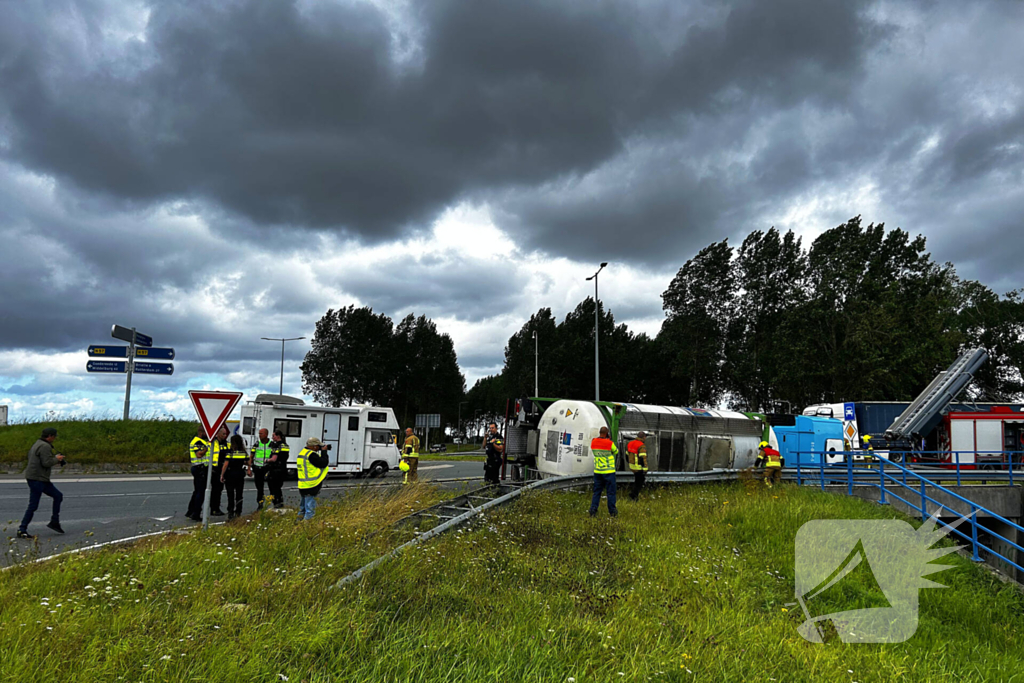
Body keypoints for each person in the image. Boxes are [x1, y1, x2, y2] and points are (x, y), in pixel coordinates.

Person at [17, 427, 66, 539]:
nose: (54, 438)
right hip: (37, 478)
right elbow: (46, 463)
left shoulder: (38, 443)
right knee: (33, 505)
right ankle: (22, 529)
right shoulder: (45, 446)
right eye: (54, 436)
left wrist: (54, 458)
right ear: (50, 436)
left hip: (39, 478)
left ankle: (54, 521)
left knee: (58, 496)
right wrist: (57, 459)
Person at [186, 426, 217, 522]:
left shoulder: (201, 442)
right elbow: (199, 454)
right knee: (200, 492)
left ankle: (190, 511)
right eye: (206, 433)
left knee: (197, 492)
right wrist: (206, 449)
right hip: (199, 468)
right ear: (201, 432)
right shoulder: (197, 442)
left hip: (201, 468)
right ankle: (196, 513)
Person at [296, 437, 329, 520]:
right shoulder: (311, 455)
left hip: (303, 485)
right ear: (314, 446)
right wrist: (324, 452)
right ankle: (306, 528)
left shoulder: (302, 453)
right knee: (310, 511)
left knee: (302, 509)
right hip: (311, 485)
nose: (319, 448)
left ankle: (297, 524)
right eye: (318, 446)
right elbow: (323, 463)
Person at [589, 426, 619, 517]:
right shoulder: (609, 443)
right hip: (609, 471)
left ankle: (593, 510)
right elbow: (616, 451)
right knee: (611, 492)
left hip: (598, 471)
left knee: (597, 492)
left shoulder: (593, 442)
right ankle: (612, 512)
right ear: (607, 433)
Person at [220, 434, 251, 520]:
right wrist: (247, 468)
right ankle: (238, 511)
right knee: (239, 494)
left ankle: (230, 511)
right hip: (240, 474)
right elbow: (248, 462)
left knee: (230, 494)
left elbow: (226, 465)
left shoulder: (230, 452)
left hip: (230, 475)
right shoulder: (243, 453)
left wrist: (222, 475)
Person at [249, 428, 274, 509]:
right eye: (259, 433)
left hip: (268, 468)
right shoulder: (256, 444)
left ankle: (274, 502)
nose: (259, 435)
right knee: (259, 488)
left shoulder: (272, 444)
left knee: (272, 487)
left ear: (266, 434)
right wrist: (249, 468)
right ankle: (260, 504)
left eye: (261, 434)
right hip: (258, 468)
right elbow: (251, 456)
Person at [265, 429, 290, 508]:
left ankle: (276, 503)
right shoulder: (285, 445)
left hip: (275, 469)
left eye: (273, 436)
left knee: (273, 488)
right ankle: (280, 503)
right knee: (278, 488)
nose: (272, 438)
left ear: (278, 436)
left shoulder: (276, 446)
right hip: (282, 468)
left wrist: (266, 460)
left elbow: (274, 459)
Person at [209, 425, 228, 516]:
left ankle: (216, 507)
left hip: (223, 470)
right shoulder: (213, 443)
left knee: (219, 490)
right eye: (223, 434)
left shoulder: (227, 444)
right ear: (218, 434)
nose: (225, 435)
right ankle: (214, 508)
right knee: (215, 490)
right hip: (214, 470)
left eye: (226, 434)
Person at [626, 431, 649, 501]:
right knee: (639, 482)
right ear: (643, 437)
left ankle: (633, 495)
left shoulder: (630, 443)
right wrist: (645, 469)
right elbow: (642, 458)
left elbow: (627, 455)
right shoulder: (641, 446)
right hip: (638, 467)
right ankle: (633, 496)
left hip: (632, 466)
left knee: (638, 480)